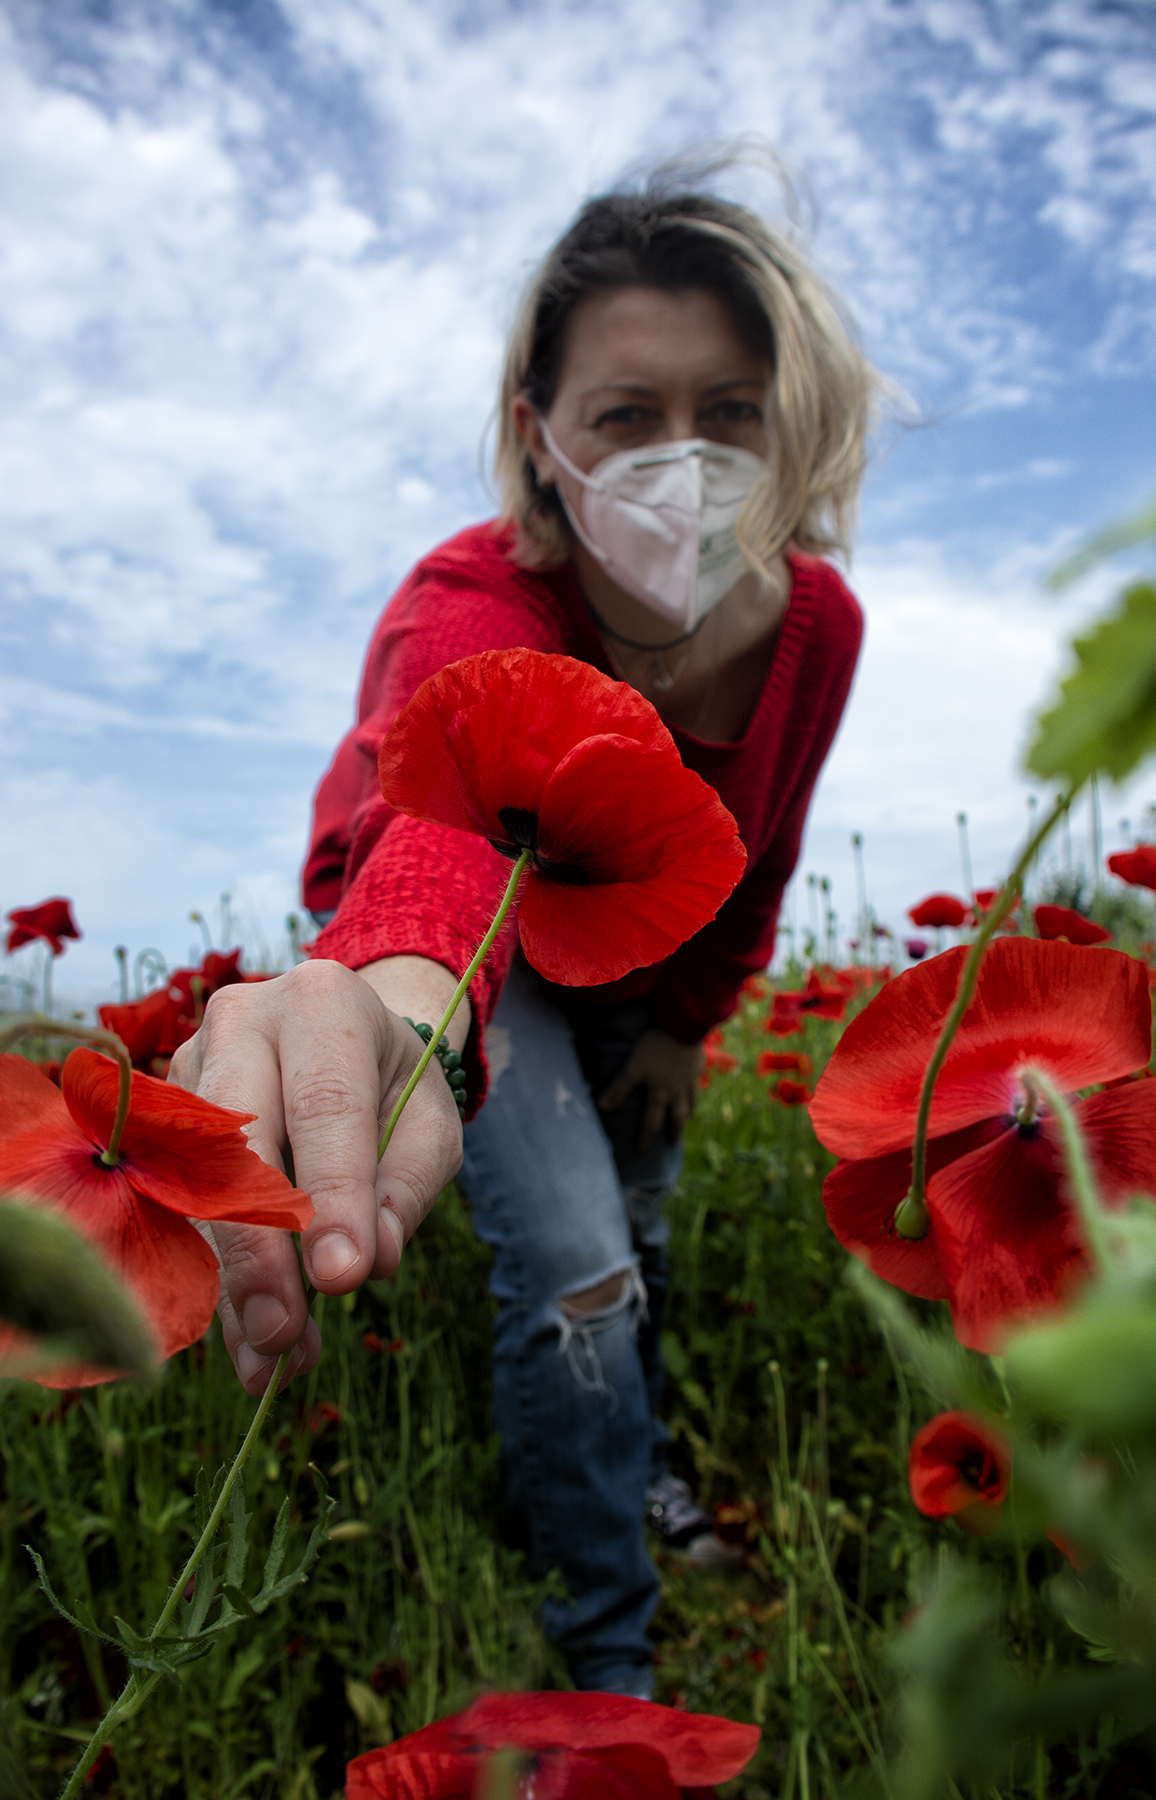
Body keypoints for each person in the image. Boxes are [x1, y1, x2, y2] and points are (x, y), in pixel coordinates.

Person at [172, 169, 883, 1700]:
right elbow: (440, 836)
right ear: (535, 430)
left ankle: (631, 1460)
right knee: (572, 1262)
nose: (680, 457)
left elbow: (757, 860)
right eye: (626, 412)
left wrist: (694, 1030)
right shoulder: (472, 601)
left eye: (733, 409)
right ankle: (604, 1656)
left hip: (650, 964)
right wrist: (396, 1004)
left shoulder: (816, 629)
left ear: (792, 427)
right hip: (465, 952)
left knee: (644, 1223)